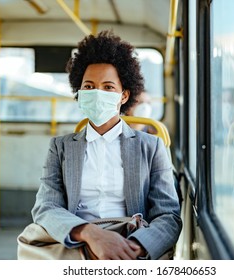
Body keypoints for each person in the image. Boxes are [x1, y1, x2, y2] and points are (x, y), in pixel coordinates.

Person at [31, 30, 182, 260]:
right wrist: (90, 234)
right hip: (77, 241)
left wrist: (134, 248)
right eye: (89, 86)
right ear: (79, 93)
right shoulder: (60, 147)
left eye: (108, 87)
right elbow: (46, 207)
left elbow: (168, 215)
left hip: (130, 242)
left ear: (124, 96)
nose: (97, 93)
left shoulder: (152, 147)